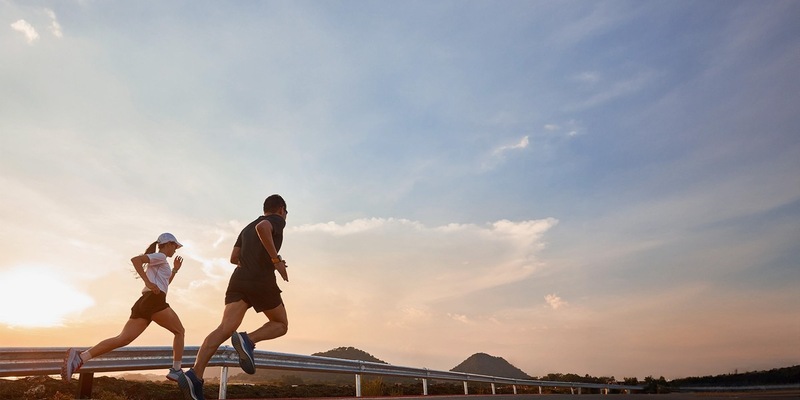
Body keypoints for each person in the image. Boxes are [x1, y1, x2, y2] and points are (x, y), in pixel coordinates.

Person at [183, 195, 290, 400]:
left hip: (239, 280)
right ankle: (248, 340)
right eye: (286, 213)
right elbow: (263, 228)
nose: (285, 217)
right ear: (281, 209)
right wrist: (275, 260)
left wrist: (260, 259)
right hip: (261, 280)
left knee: (224, 328)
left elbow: (233, 258)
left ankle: (195, 374)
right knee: (280, 324)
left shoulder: (246, 228)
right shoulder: (275, 221)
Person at [61, 233, 192, 396]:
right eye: (175, 246)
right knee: (179, 331)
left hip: (144, 302)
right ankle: (176, 370)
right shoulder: (160, 256)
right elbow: (135, 260)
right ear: (168, 244)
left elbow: (164, 284)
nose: (175, 249)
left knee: (122, 339)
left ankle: (81, 357)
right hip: (154, 301)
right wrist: (147, 282)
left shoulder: (161, 262)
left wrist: (174, 271)